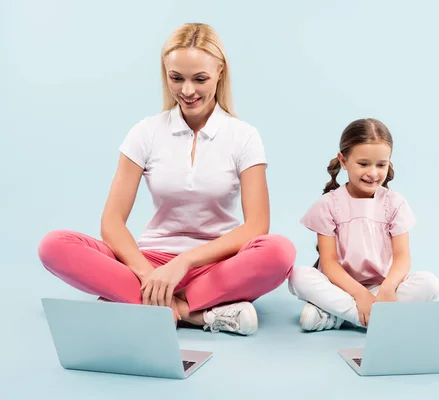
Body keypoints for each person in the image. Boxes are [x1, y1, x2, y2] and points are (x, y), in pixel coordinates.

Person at [38, 23, 296, 336]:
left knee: (279, 251)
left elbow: (256, 225)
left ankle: (155, 308)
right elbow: (112, 223)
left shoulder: (244, 137)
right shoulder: (145, 133)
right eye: (177, 78)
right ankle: (199, 313)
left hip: (217, 264)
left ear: (220, 72)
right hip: (150, 263)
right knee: (54, 245)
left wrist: (184, 263)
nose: (187, 91)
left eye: (199, 79)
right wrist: (149, 274)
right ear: (165, 73)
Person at [287, 118, 439, 331]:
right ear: (343, 160)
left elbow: (403, 258)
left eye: (381, 165)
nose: (373, 173)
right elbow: (329, 263)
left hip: (383, 289)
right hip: (341, 288)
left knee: (429, 283)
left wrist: (387, 290)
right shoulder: (329, 204)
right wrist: (359, 295)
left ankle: (337, 316)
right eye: (363, 164)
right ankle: (378, 317)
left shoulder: (394, 203)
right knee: (298, 276)